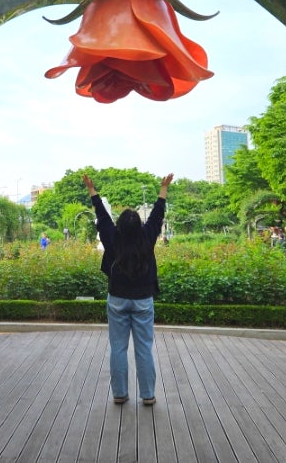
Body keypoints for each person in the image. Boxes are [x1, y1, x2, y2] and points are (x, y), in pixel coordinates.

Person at [83, 172, 173, 407]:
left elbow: (102, 217)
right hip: (143, 300)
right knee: (144, 348)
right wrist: (163, 190)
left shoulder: (113, 237)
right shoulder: (147, 236)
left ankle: (120, 394)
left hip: (117, 300)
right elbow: (157, 215)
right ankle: (148, 395)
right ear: (139, 226)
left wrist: (92, 191)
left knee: (118, 349)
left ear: (119, 226)